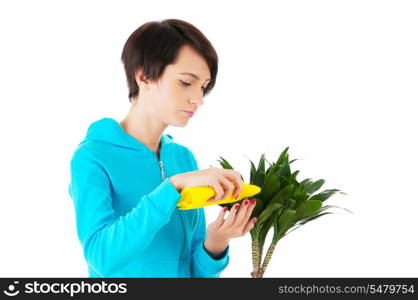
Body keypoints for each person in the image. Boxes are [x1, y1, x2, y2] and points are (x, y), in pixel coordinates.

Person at [68, 18, 258, 278]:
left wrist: (216, 242)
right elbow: (102, 258)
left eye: (203, 87)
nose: (198, 99)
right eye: (186, 82)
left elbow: (193, 274)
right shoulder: (93, 157)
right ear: (144, 76)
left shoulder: (182, 158)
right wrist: (173, 187)